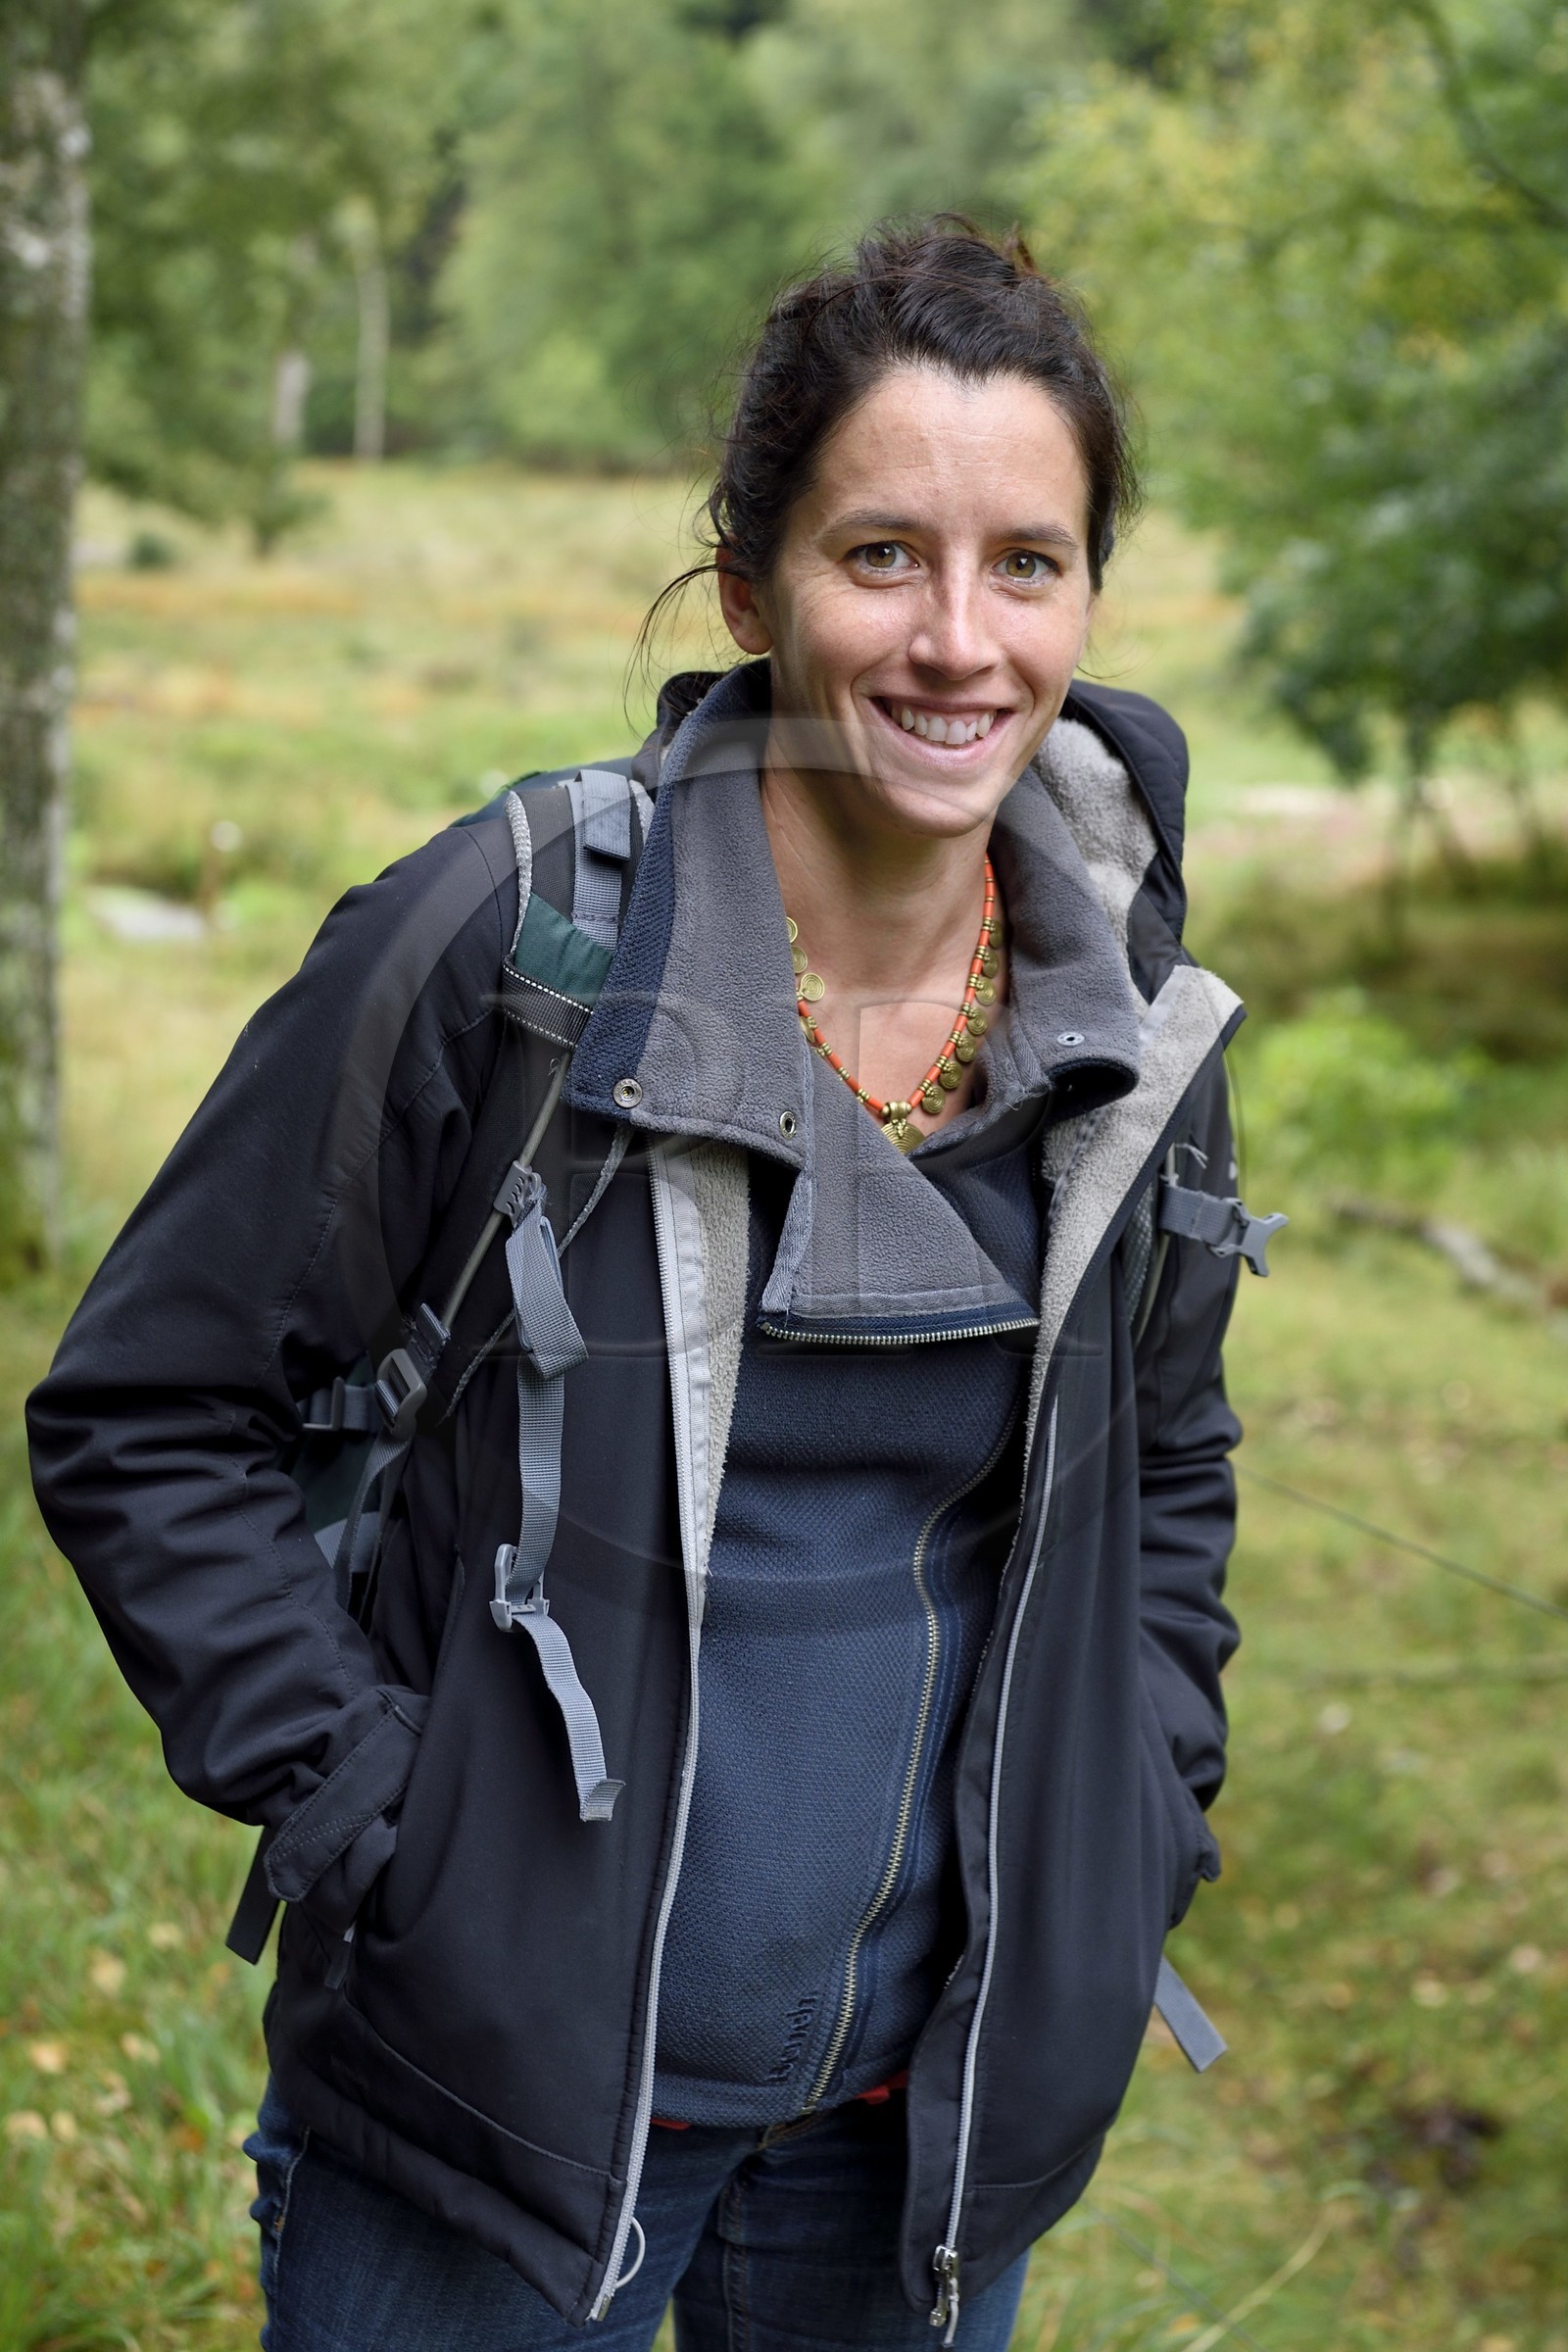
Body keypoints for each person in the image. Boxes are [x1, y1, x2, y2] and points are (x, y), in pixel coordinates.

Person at [27, 220, 1252, 2350]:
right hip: (490, 2129)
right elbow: (149, 1413)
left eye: (1027, 565)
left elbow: (1166, 1462)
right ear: (751, 585)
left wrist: (1132, 1807)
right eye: (882, 555)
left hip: (913, 2137)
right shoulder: (510, 945)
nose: (958, 640)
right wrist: (383, 1826)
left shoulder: (1135, 1020)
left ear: (1086, 598)